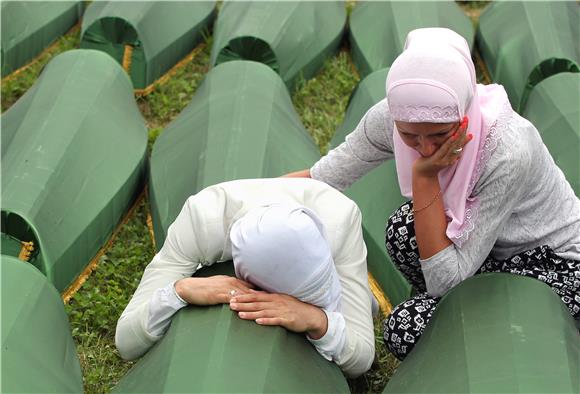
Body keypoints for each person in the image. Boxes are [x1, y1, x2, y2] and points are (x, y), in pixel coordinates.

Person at [285, 28, 580, 360]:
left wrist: (425, 179)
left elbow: (447, 282)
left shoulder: (508, 151)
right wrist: (243, 201)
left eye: (440, 134)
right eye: (409, 135)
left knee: (404, 330)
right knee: (403, 231)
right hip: (483, 254)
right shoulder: (392, 118)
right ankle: (449, 312)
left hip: (554, 265)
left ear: (465, 109)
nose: (425, 148)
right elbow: (321, 178)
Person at [116, 177, 375, 377]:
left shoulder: (340, 220)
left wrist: (317, 320)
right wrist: (178, 291)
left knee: (363, 305)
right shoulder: (201, 221)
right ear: (243, 276)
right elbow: (126, 342)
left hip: (328, 221)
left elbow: (361, 357)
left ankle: (363, 296)